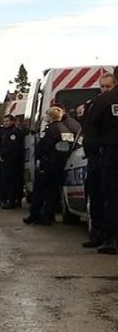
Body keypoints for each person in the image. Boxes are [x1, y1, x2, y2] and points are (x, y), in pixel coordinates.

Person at [81, 72, 116, 248]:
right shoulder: (96, 102)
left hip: (106, 156)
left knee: (109, 197)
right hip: (99, 158)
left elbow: (90, 129)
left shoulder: (101, 103)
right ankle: (98, 234)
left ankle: (108, 237)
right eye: (102, 86)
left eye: (108, 86)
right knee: (97, 198)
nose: (104, 89)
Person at [23, 107, 74, 225]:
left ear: (50, 117)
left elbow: (42, 148)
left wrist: (39, 158)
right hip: (60, 165)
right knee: (53, 192)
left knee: (39, 191)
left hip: (48, 165)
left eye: (46, 115)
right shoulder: (66, 130)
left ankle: (34, 215)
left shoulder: (51, 130)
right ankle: (48, 215)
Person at [90, 67, 118, 255]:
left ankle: (112, 239)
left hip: (112, 153)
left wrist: (94, 153)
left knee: (112, 196)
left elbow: (91, 128)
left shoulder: (105, 100)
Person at [0, 114, 24, 209]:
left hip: (13, 160)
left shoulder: (15, 132)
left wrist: (2, 154)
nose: (5, 123)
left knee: (13, 181)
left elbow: (11, 146)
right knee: (6, 181)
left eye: (7, 121)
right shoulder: (4, 132)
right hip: (6, 160)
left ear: (12, 121)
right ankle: (9, 199)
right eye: (4, 121)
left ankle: (13, 200)